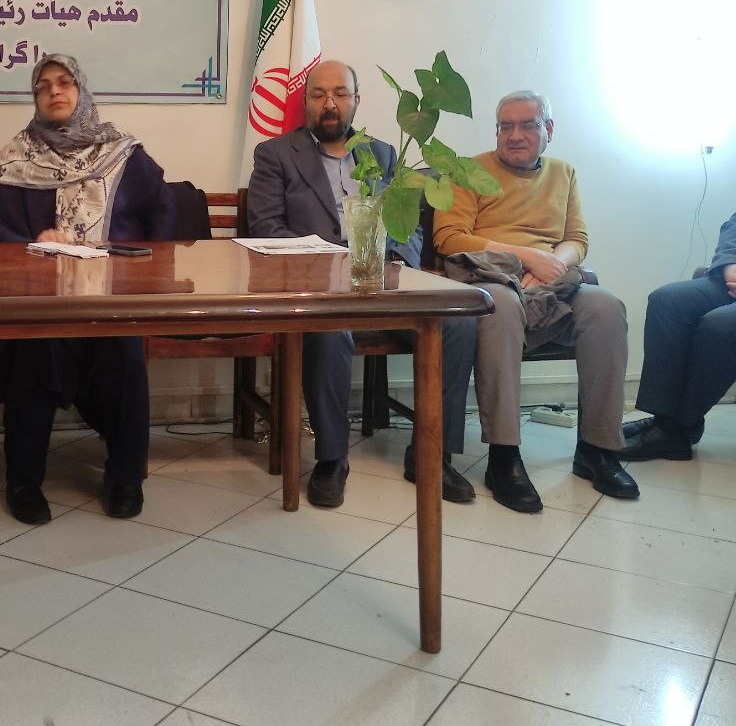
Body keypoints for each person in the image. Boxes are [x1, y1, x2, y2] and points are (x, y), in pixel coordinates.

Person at [246, 60, 477, 508]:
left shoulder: (385, 155)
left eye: (340, 93)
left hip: (384, 281)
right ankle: (332, 458)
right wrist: (333, 262)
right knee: (329, 331)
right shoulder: (276, 154)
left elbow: (408, 223)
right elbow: (266, 228)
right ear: (306, 101)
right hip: (320, 285)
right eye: (318, 94)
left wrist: (398, 260)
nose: (329, 104)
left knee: (458, 324)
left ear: (356, 100)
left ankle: (432, 453)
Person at [0, 54, 175, 524]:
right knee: (34, 348)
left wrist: (133, 266)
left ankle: (125, 478)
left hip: (111, 300)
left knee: (123, 350)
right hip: (39, 303)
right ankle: (23, 481)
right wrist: (35, 244)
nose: (54, 91)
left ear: (81, 90)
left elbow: (164, 217)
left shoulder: (124, 154)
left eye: (65, 82)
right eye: (43, 85)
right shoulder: (14, 160)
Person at [433, 89, 638, 512]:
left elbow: (577, 238)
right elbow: (448, 238)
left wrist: (553, 265)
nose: (515, 135)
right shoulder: (468, 171)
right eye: (505, 126)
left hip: (550, 282)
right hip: (491, 276)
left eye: (527, 125)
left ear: (549, 129)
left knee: (606, 308)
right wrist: (525, 257)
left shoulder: (564, 173)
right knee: (501, 306)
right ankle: (504, 455)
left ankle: (597, 449)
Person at [617, 211, 736, 460]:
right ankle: (666, 420)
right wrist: (731, 266)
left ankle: (676, 426)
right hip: (730, 283)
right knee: (667, 301)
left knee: (719, 325)